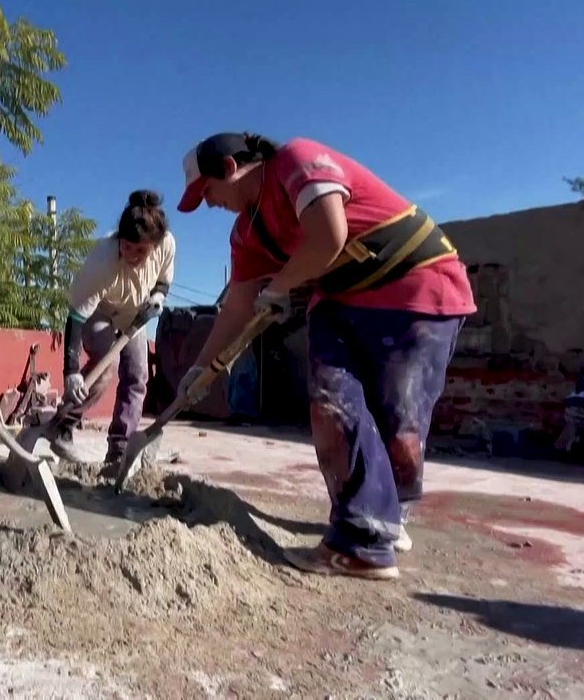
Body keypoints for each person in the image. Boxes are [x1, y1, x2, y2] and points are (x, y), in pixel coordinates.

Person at [173, 132, 475, 580]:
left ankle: (383, 523)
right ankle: (365, 534)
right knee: (334, 405)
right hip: (341, 303)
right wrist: (201, 368)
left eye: (207, 192)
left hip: (417, 286)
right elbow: (236, 306)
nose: (210, 204)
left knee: (399, 423)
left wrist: (277, 288)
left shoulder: (297, 161)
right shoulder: (246, 234)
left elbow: (328, 236)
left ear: (230, 169)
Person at [46, 189, 176, 470]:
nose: (131, 254)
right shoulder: (102, 259)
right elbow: (77, 315)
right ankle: (62, 425)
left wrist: (158, 297)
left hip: (135, 314)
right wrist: (70, 372)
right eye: (127, 246)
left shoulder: (166, 245)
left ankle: (119, 449)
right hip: (99, 312)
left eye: (140, 250)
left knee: (138, 376)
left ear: (154, 244)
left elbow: (163, 282)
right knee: (106, 366)